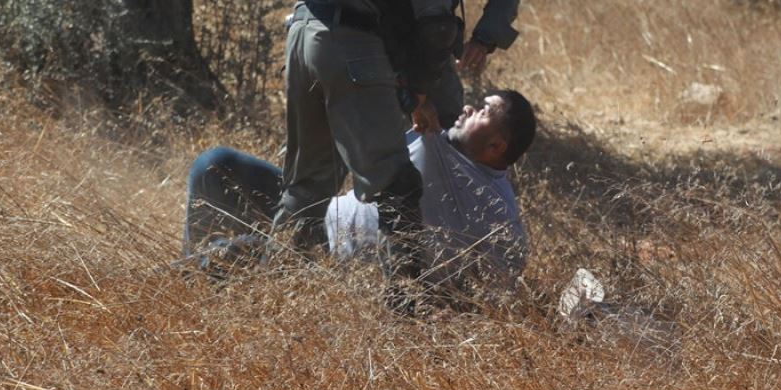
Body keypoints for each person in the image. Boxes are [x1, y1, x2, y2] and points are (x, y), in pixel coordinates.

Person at [272, 0, 515, 300]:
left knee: (307, 187)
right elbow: (429, 18)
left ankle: (272, 294)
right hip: (350, 44)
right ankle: (408, 308)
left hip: (304, 30)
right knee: (398, 189)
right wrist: (419, 88)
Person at [182, 90, 537, 286]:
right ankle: (192, 266)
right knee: (214, 165)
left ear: (496, 147)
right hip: (321, 209)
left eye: (483, 110)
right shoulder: (451, 154)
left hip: (322, 252)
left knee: (222, 257)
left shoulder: (485, 200)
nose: (468, 107)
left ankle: (182, 286)